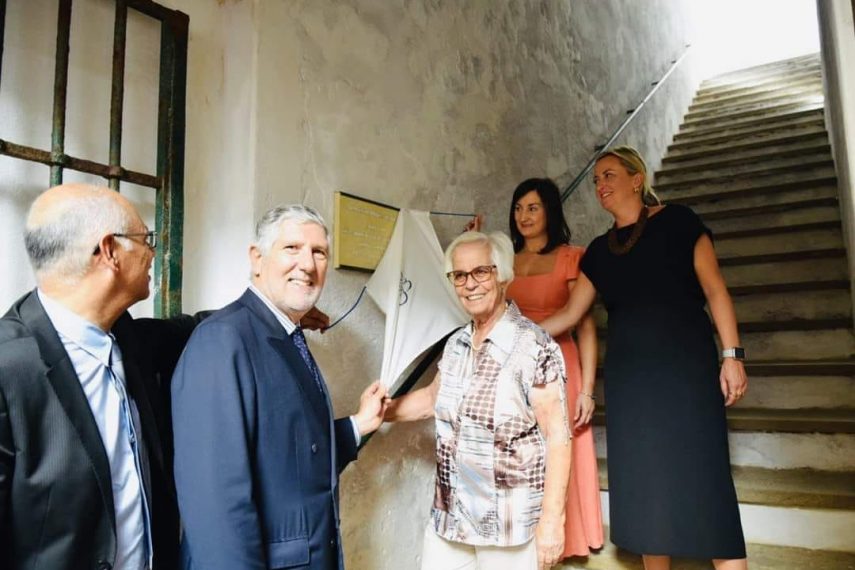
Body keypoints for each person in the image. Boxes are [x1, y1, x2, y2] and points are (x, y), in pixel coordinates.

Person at [538, 146, 748, 570]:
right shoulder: (598, 251)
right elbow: (571, 314)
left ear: (637, 179)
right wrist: (511, 331)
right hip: (631, 383)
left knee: (707, 479)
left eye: (609, 175)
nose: (600, 185)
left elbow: (715, 290)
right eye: (596, 179)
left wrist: (732, 355)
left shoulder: (680, 222)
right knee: (647, 484)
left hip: (687, 371)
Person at [171, 204, 388, 570]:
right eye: (292, 248)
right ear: (257, 259)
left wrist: (358, 425)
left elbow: (292, 455)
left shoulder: (286, 335)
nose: (308, 264)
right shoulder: (221, 340)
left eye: (319, 252)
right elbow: (216, 507)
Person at [0, 183, 201, 570]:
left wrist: (277, 308)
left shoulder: (127, 337)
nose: (152, 253)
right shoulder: (9, 366)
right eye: (145, 240)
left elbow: (193, 327)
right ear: (109, 251)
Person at [384, 231, 572, 570]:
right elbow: (431, 399)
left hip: (508, 526)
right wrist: (381, 411)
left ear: (502, 276)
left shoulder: (534, 346)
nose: (470, 284)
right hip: (451, 517)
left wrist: (552, 520)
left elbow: (558, 437)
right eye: (459, 275)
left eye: (481, 272)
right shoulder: (456, 343)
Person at [506, 177, 604, 558]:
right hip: (514, 363)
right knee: (521, 447)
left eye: (533, 207)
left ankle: (571, 537)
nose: (524, 216)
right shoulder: (505, 258)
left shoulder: (572, 257)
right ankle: (524, 537)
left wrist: (587, 390)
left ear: (550, 211)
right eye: (518, 208)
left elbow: (586, 326)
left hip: (560, 361)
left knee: (563, 444)